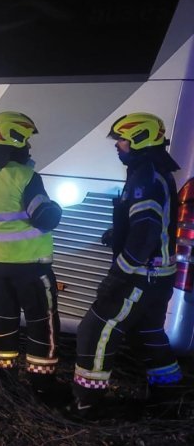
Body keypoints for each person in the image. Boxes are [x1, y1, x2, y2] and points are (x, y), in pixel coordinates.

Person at [71, 112, 184, 418]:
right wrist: (117, 232)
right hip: (158, 277)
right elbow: (147, 224)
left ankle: (87, 405)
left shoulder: (145, 177)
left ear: (138, 139)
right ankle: (170, 398)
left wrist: (117, 277)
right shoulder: (153, 171)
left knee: (94, 330)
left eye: (121, 139)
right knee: (147, 335)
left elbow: (144, 236)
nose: (118, 145)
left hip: (141, 276)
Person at [0, 111, 65, 403]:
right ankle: (42, 387)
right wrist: (57, 207)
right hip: (31, 269)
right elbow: (44, 217)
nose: (28, 147)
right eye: (25, 140)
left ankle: (3, 380)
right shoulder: (27, 177)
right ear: (14, 139)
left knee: (4, 321)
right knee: (42, 323)